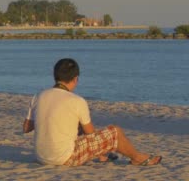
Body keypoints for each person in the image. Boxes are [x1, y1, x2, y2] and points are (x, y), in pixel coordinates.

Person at [22, 58, 162, 166]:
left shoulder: (38, 96)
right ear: (75, 78)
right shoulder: (76, 100)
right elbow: (91, 134)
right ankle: (137, 158)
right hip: (64, 158)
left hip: (41, 156)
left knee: (74, 127)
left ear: (55, 76)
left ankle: (103, 156)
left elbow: (26, 128)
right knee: (115, 132)